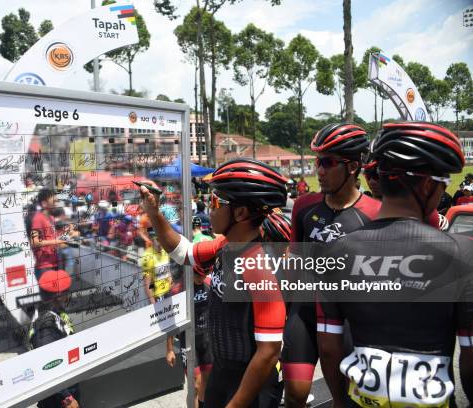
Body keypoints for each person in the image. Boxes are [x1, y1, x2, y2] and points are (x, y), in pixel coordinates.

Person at [317, 121, 473, 407]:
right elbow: (471, 358)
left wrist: (340, 401)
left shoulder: (337, 251)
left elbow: (328, 348)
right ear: (427, 185)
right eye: (442, 183)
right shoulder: (461, 254)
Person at [140, 158, 288, 408]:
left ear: (240, 213)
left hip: (250, 385)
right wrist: (154, 212)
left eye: (217, 201)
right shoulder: (225, 245)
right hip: (222, 373)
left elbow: (268, 352)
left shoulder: (260, 268)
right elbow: (183, 252)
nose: (209, 207)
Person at [283, 123, 380, 407]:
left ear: (351, 167)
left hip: (348, 318)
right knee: (296, 396)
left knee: (344, 401)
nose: (319, 170)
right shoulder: (303, 206)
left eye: (327, 162)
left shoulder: (375, 213)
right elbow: (293, 260)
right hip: (304, 311)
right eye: (317, 162)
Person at [166, 264, 212, 408]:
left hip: (207, 340)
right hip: (189, 342)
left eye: (205, 275)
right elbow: (171, 322)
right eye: (199, 275)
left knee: (206, 384)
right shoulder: (177, 290)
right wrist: (169, 349)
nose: (202, 278)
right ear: (190, 272)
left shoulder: (209, 283)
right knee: (195, 386)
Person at [31, 270, 80, 408]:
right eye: (66, 292)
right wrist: (67, 397)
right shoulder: (45, 324)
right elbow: (48, 364)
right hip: (59, 396)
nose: (68, 295)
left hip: (67, 383)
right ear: (58, 296)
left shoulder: (57, 311)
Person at [31, 189, 66, 281]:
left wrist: (67, 234)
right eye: (53, 201)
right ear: (44, 204)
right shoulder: (38, 218)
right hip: (44, 267)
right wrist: (56, 241)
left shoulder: (51, 218)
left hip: (54, 263)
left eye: (56, 201)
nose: (56, 203)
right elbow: (34, 242)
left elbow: (53, 237)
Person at [141, 229, 172, 304]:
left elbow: (167, 269)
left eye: (162, 239)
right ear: (152, 240)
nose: (161, 243)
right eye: (158, 240)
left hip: (168, 291)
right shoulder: (147, 257)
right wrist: (152, 301)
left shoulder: (165, 250)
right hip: (157, 296)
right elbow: (147, 283)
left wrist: (170, 278)